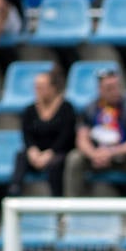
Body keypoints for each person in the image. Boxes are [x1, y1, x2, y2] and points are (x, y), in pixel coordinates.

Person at [63, 69, 126, 199]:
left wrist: (112, 152)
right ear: (100, 89)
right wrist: (93, 154)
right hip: (95, 156)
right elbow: (81, 138)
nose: (115, 91)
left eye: (117, 87)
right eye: (109, 88)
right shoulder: (90, 109)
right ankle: (70, 208)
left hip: (122, 156)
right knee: (74, 158)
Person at [7, 65, 76, 197]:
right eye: (36, 87)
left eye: (42, 87)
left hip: (58, 152)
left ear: (53, 87)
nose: (38, 90)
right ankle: (13, 193)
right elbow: (26, 134)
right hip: (37, 152)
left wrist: (50, 153)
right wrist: (32, 150)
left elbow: (66, 135)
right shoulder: (30, 110)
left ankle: (58, 201)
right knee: (21, 156)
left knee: (56, 164)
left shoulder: (66, 108)